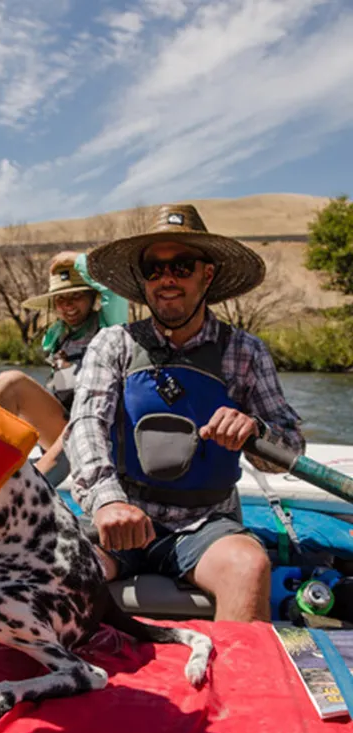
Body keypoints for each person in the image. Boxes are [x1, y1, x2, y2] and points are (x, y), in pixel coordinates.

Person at [63, 205, 305, 623]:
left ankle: (236, 686)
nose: (166, 278)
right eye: (154, 269)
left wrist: (256, 432)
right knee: (56, 571)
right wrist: (106, 501)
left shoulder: (246, 352)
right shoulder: (112, 343)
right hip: (125, 516)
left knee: (249, 567)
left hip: (207, 524)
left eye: (181, 265)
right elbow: (86, 426)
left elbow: (290, 448)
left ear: (206, 275)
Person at [0, 251, 127, 481]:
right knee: (9, 381)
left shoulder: (109, 325)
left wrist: (75, 258)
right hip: (63, 424)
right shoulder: (57, 335)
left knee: (79, 421)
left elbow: (113, 291)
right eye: (61, 299)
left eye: (76, 296)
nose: (68, 306)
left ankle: (26, 490)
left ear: (92, 297)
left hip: (102, 428)